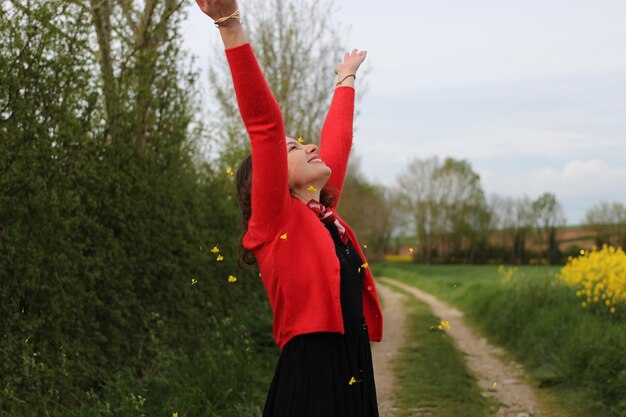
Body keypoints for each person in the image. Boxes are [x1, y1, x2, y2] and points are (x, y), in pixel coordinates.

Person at [194, 1, 383, 415]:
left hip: (353, 368)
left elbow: (338, 143)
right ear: (273, 175)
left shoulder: (323, 213)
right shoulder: (275, 219)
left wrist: (346, 80)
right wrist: (229, 26)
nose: (310, 146)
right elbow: (266, 125)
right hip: (312, 376)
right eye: (295, 148)